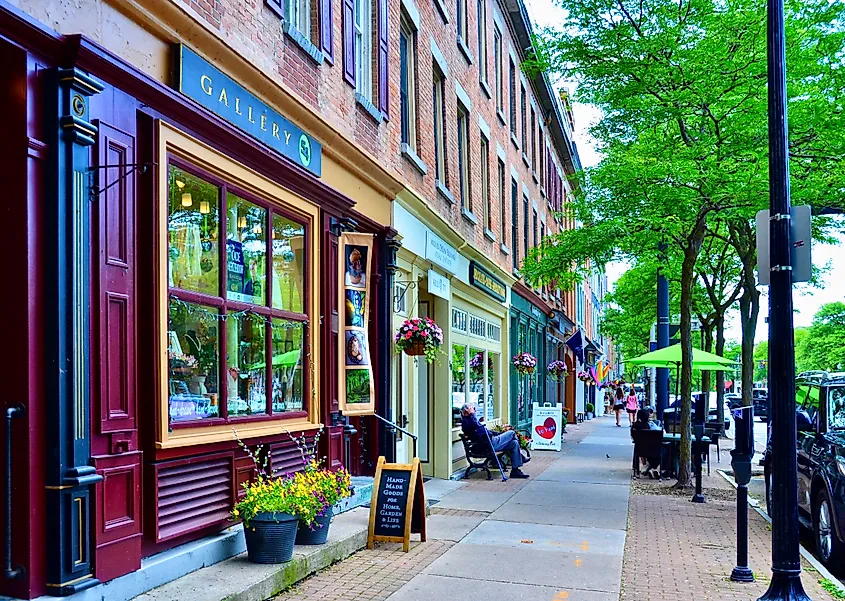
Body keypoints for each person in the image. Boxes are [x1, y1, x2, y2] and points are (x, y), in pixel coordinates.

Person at [460, 402, 529, 479]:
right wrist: (472, 414)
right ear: (466, 411)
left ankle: (515, 471)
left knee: (514, 443)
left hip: (490, 442)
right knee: (512, 433)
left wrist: (498, 433)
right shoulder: (466, 422)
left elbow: (484, 430)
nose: (475, 411)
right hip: (488, 445)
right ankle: (521, 456)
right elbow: (477, 427)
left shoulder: (471, 420)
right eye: (473, 409)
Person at [632, 408, 662, 479]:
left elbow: (633, 438)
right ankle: (653, 468)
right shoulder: (649, 426)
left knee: (650, 455)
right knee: (663, 452)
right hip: (653, 450)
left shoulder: (634, 427)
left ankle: (648, 469)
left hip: (640, 449)